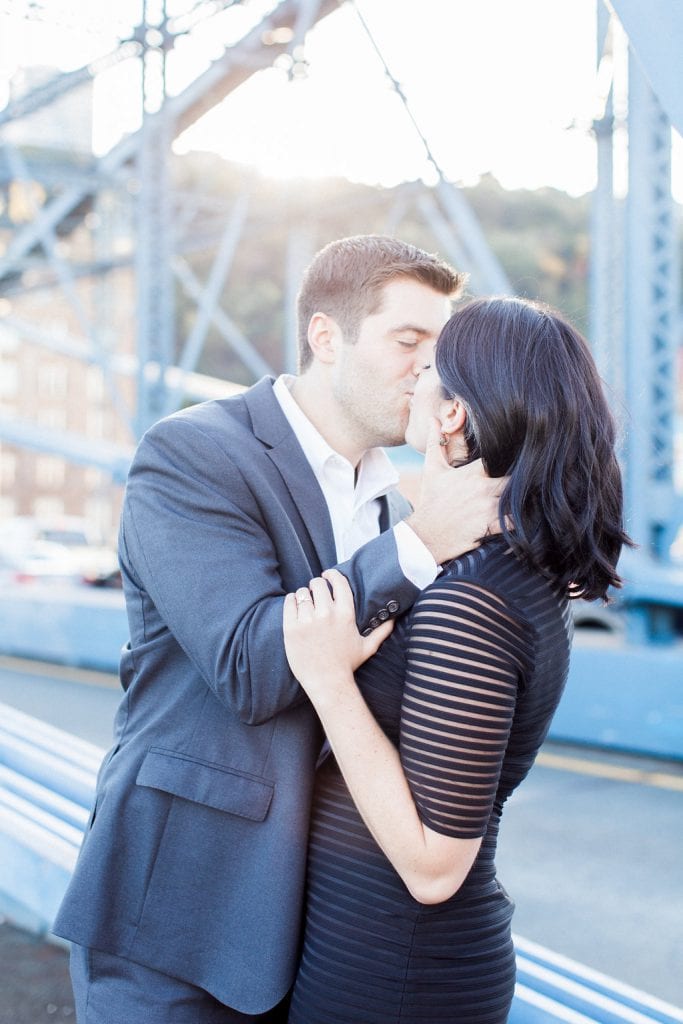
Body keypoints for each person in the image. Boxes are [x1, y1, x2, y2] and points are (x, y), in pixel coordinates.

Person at [53, 236, 503, 1023]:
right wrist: (423, 544)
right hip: (184, 913)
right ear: (326, 338)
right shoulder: (194, 454)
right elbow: (250, 668)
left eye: (442, 349)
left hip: (325, 928)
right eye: (409, 342)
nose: (432, 371)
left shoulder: (396, 505)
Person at [283, 296, 632, 1024]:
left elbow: (434, 867)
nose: (414, 374)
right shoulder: (502, 572)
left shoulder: (470, 599)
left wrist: (327, 679)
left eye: (432, 366)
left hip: (397, 973)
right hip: (384, 956)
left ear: (451, 415)